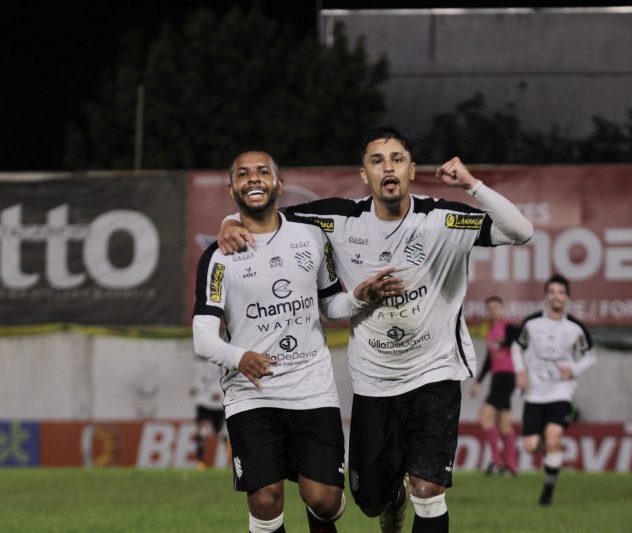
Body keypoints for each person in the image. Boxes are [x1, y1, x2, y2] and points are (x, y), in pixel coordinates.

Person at [218, 127, 533, 533]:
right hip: (374, 381)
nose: (389, 167)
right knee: (369, 500)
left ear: (412, 170)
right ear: (364, 175)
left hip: (434, 373)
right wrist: (230, 220)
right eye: (377, 160)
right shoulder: (338, 219)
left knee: (429, 487)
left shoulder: (441, 219)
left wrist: (473, 185)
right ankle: (391, 497)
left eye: (397, 159)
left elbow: (520, 231)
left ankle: (414, 492)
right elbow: (265, 214)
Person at [193, 150, 403, 533]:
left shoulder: (309, 236)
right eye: (243, 174)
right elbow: (202, 337)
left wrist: (360, 297)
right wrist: (239, 357)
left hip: (311, 387)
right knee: (265, 498)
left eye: (262, 172)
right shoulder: (218, 257)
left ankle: (318, 514)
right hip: (251, 393)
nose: (253, 179)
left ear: (279, 185)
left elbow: (330, 304)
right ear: (231, 189)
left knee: (324, 500)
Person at [511, 274, 597, 506]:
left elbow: (590, 356)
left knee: (552, 439)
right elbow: (517, 347)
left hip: (561, 391)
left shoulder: (575, 328)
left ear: (567, 297)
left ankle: (548, 490)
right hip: (534, 392)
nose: (556, 296)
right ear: (546, 296)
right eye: (552, 292)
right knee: (531, 447)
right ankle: (544, 445)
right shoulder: (531, 324)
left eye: (561, 292)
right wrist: (520, 371)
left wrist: (574, 370)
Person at [469, 296, 520, 476]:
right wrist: (478, 382)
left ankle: (496, 461)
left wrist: (505, 341)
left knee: (485, 418)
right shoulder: (490, 331)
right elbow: (489, 360)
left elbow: (520, 338)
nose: (493, 311)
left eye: (496, 307)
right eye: (489, 308)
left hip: (507, 377)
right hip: (497, 379)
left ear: (502, 308)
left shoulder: (508, 327)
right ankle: (512, 467)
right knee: (505, 425)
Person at [189, 355, 226, 470]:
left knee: (218, 432)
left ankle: (230, 458)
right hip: (203, 404)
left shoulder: (221, 362)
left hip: (217, 406)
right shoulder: (197, 364)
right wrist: (194, 389)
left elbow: (226, 380)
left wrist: (220, 394)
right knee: (201, 430)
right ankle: (200, 461)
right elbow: (197, 381)